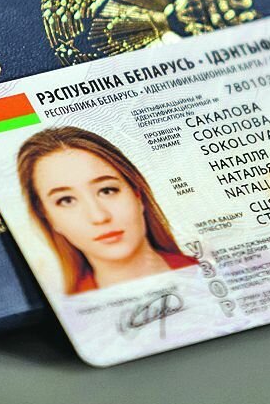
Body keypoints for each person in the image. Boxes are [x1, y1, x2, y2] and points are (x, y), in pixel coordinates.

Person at [16, 126, 197, 294]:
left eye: (107, 190)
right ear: (48, 217)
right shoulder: (65, 310)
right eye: (66, 200)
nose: (99, 216)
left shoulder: (206, 271)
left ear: (137, 195)